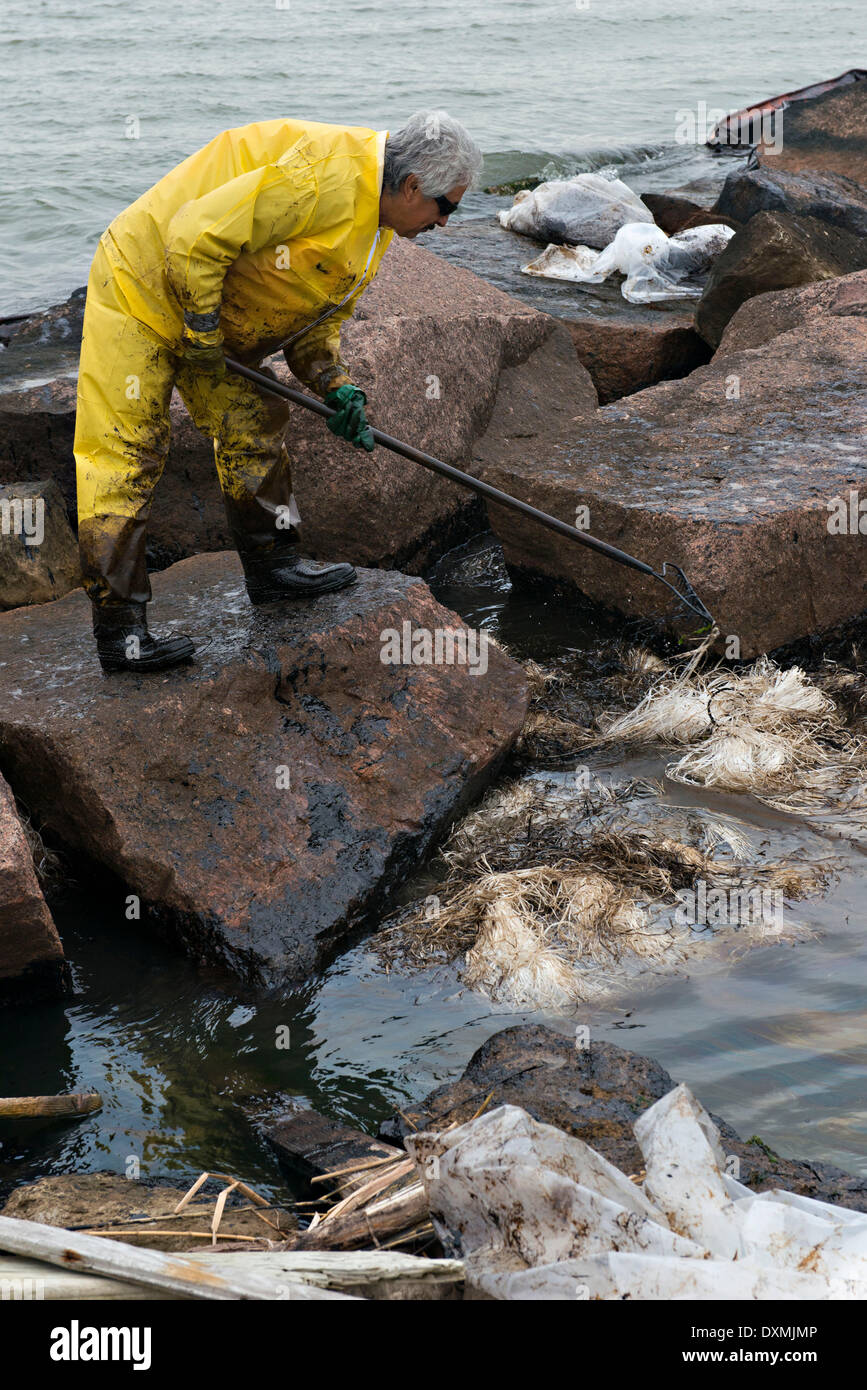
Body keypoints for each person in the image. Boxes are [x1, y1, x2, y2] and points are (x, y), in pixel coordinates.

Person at [74, 110, 483, 672]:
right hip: (142, 285)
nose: (445, 224)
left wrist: (334, 383)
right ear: (413, 186)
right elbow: (194, 236)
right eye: (447, 208)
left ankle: (273, 567)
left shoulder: (376, 220)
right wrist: (199, 330)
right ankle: (121, 630)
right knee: (125, 449)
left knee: (252, 419)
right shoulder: (323, 177)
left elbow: (314, 311)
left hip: (206, 306)